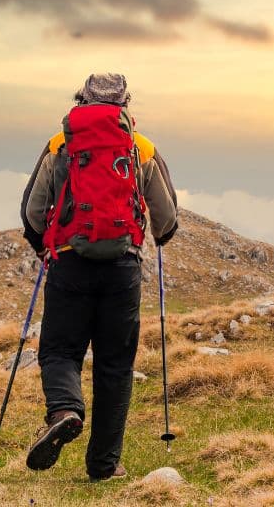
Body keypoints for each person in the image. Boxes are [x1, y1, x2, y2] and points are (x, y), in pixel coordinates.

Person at [19, 72, 178, 481]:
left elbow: (33, 213)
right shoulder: (140, 147)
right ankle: (104, 466)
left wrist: (44, 248)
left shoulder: (61, 144)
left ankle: (66, 410)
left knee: (59, 352)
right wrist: (156, 236)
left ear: (81, 101)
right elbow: (167, 219)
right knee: (115, 366)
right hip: (122, 270)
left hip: (70, 263)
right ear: (126, 104)